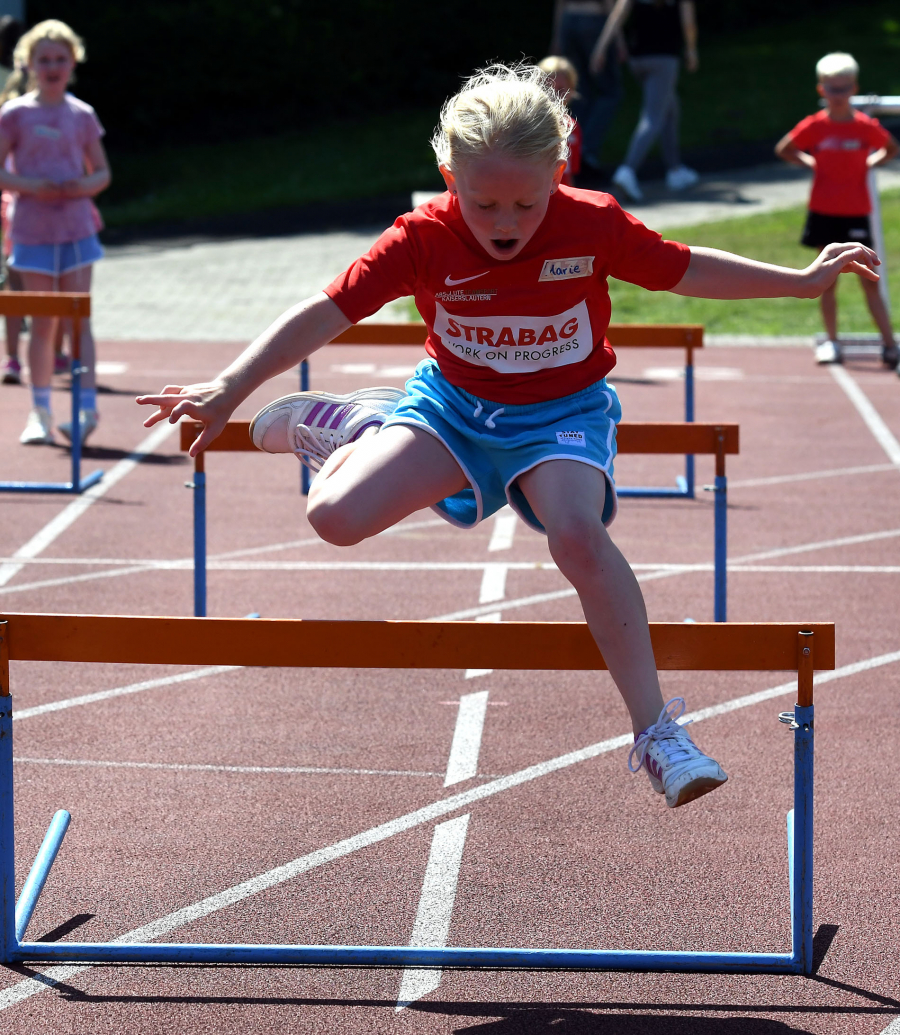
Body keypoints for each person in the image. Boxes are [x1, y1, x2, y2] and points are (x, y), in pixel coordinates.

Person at [138, 64, 880, 809]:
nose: (503, 222)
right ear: (447, 175)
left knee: (577, 537)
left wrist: (796, 281)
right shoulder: (423, 238)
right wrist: (230, 387)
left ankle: (656, 732)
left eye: (526, 202)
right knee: (333, 519)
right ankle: (359, 424)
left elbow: (683, 269)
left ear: (560, 172)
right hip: (453, 407)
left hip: (561, 413)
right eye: (483, 201)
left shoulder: (590, 223)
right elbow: (328, 308)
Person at [0, 19, 110, 445]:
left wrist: (80, 186)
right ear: (28, 64)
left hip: (77, 231)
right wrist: (32, 187)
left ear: (73, 63)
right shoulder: (14, 114)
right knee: (42, 324)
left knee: (79, 320)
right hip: (31, 231)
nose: (52, 66)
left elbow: (101, 171)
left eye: (60, 58)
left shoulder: (82, 114)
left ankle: (86, 410)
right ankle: (40, 412)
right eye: (43, 58)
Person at [775, 52, 899, 368]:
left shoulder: (864, 126)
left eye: (844, 88)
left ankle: (889, 343)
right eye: (833, 89)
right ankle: (832, 342)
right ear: (822, 90)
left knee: (870, 278)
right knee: (826, 279)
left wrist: (870, 162)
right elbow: (785, 148)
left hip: (857, 212)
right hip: (824, 211)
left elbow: (891, 148)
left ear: (854, 88)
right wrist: (811, 162)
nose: (839, 95)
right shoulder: (815, 126)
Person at [590, 0, 699, 201]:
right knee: (653, 116)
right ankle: (627, 171)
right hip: (664, 58)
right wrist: (691, 49)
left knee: (670, 107)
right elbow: (688, 22)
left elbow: (616, 17)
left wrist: (601, 48)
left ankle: (675, 169)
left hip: (637, 58)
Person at [551, 0, 624, 176]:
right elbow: (610, 7)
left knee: (578, 92)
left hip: (568, 21)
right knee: (611, 92)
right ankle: (586, 149)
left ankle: (570, 147)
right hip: (593, 20)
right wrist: (618, 40)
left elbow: (560, 4)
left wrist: (557, 37)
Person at [538, 56, 582, 186]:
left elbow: (571, 173)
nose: (554, 96)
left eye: (560, 90)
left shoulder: (572, 127)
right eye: (547, 88)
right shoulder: (530, 126)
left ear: (572, 91)